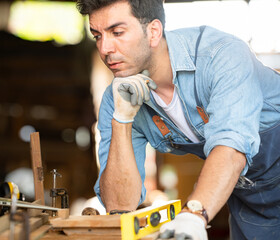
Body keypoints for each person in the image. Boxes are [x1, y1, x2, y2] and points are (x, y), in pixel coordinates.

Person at [76, 0, 280, 239]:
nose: (104, 49)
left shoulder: (221, 55)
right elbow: (120, 207)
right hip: (253, 203)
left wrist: (193, 216)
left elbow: (231, 148)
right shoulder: (118, 97)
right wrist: (121, 120)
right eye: (97, 36)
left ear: (153, 31)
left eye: (117, 32)